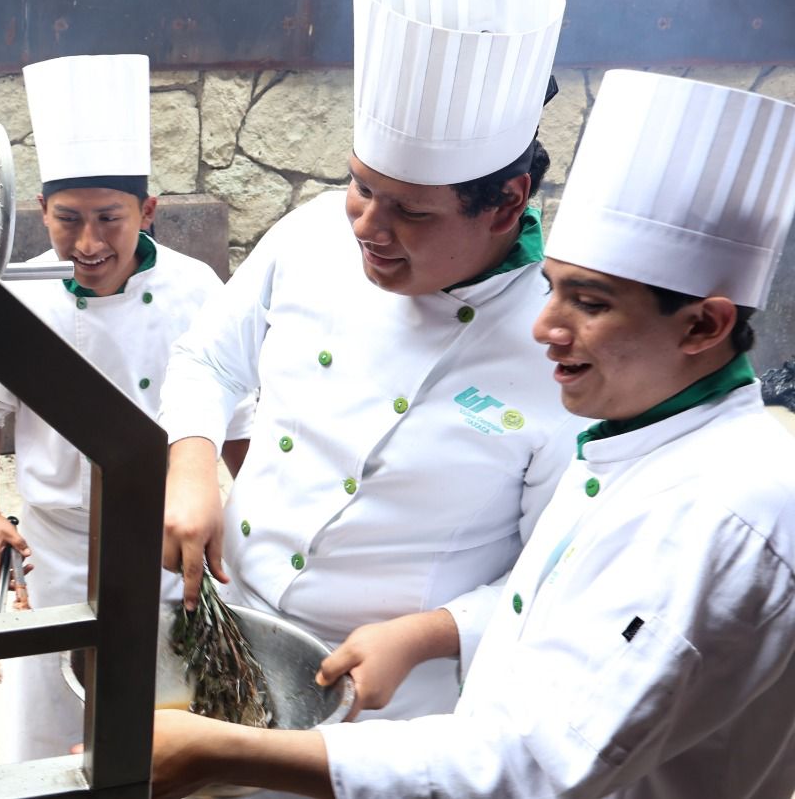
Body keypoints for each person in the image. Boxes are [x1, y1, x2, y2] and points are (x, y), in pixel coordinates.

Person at [152, 69, 795, 799]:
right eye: (361, 188)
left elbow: (537, 762)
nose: (545, 327)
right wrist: (193, 466)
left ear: (704, 324)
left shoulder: (722, 512)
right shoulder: (630, 437)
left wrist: (221, 752)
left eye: (586, 302)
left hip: (406, 726)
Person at [159, 0, 586, 725]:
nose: (366, 225)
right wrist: (190, 461)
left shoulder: (561, 346)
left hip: (393, 702)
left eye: (410, 211)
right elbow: (206, 358)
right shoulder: (312, 235)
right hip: (229, 631)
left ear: (506, 201)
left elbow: (554, 573)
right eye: (360, 184)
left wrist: (429, 635)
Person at [0, 53, 251, 762]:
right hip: (56, 553)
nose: (87, 244)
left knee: (162, 736)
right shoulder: (24, 295)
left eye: (109, 219)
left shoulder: (197, 290)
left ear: (147, 212)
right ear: (42, 214)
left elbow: (237, 424)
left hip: (166, 552)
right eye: (68, 220)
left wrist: (256, 522)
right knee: (48, 740)